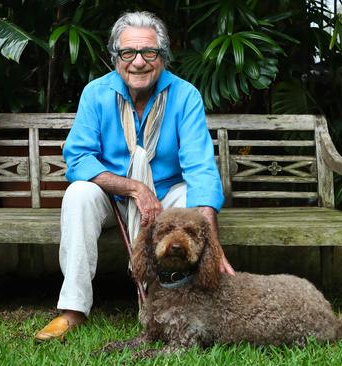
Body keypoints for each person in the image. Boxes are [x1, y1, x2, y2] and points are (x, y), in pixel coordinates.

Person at [34, 10, 236, 343]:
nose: (138, 62)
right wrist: (134, 188)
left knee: (190, 202)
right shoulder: (96, 94)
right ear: (116, 58)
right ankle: (72, 310)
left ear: (163, 57)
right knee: (78, 194)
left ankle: (193, 302)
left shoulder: (185, 96)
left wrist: (212, 244)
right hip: (113, 196)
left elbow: (200, 168)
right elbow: (78, 158)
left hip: (167, 194)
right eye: (128, 53)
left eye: (149, 52)